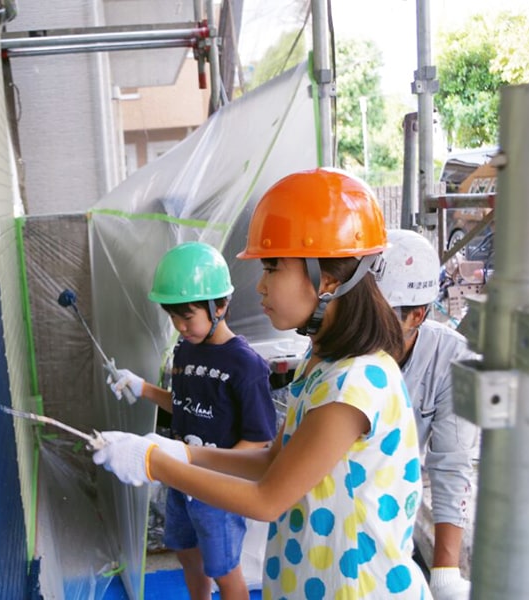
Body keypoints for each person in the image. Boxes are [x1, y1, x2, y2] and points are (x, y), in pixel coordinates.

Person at [93, 168, 431, 599]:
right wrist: (184, 452)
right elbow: (276, 458)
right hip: (309, 579)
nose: (262, 285)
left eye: (272, 267)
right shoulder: (320, 362)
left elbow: (268, 498)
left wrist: (155, 464)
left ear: (326, 277)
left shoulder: (355, 383)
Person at [108, 240, 277, 600]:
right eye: (173, 317)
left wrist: (210, 471)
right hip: (181, 479)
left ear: (221, 306)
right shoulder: (184, 350)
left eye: (187, 316)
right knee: (186, 552)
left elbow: (259, 440)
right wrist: (142, 388)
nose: (180, 326)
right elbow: (186, 405)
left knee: (224, 568)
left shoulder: (245, 366)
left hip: (219, 489)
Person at [374, 228, 479, 600]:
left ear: (416, 315)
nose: (363, 327)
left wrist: (446, 573)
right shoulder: (342, 352)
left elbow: (451, 462)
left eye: (379, 316)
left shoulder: (452, 357)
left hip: (400, 492)